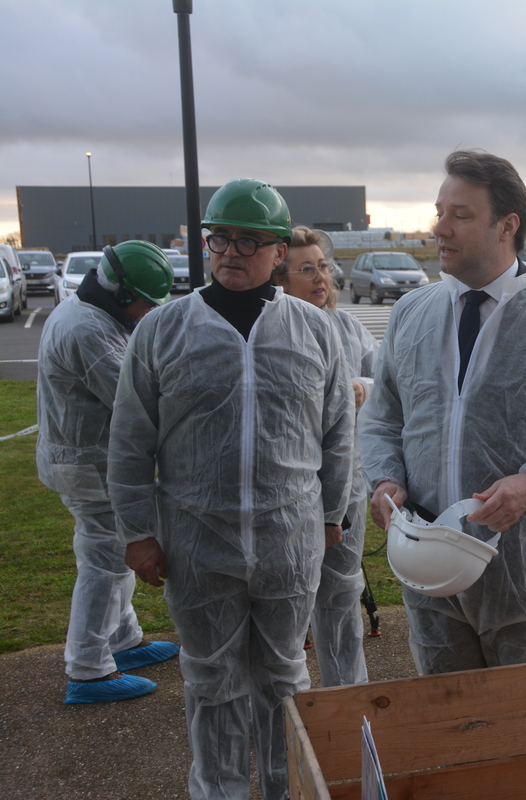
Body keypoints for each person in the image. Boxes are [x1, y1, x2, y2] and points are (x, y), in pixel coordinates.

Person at [109, 179, 354, 800]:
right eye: (220, 238)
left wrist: (331, 517)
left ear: (277, 251)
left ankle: (285, 787)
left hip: (290, 540)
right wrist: (137, 533)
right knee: (211, 678)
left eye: (249, 240)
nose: (231, 251)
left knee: (283, 677)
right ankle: (219, 790)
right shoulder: (162, 332)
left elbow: (336, 435)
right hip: (196, 541)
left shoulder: (314, 332)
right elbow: (130, 442)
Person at [359, 149, 526, 675]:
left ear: (507, 226)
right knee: (452, 734)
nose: (439, 228)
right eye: (439, 212)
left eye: (459, 215)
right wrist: (384, 477)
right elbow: (381, 417)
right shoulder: (410, 315)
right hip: (430, 571)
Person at [36, 240, 179, 705]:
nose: (146, 313)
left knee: (112, 558)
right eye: (143, 303)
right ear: (121, 294)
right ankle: (88, 669)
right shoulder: (87, 331)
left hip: (83, 459)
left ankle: (123, 639)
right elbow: (133, 401)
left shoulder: (91, 315)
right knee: (106, 563)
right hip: (89, 465)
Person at [273, 225, 376, 687]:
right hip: (287, 489)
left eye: (324, 267)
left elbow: (387, 384)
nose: (321, 278)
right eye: (307, 269)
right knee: (283, 599)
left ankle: (349, 696)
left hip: (346, 485)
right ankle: (286, 704)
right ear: (281, 279)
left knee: (340, 593)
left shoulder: (349, 327)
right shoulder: (272, 333)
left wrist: (363, 389)